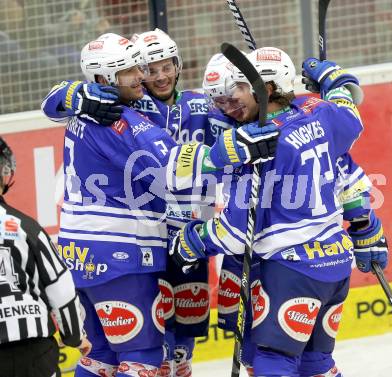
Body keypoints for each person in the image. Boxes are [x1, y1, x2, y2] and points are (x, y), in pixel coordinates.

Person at [41, 33, 278, 377]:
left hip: (81, 253)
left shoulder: (86, 112)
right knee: (144, 360)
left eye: (145, 67)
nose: (144, 76)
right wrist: (235, 148)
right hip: (121, 254)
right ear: (105, 79)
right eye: (132, 70)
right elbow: (171, 165)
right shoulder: (124, 119)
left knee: (102, 357)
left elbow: (56, 104)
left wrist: (72, 93)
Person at [170, 47, 388, 377]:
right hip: (334, 265)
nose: (234, 95)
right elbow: (349, 115)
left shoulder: (259, 147)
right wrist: (332, 77)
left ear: (266, 89)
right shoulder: (320, 116)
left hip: (292, 271)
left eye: (242, 87)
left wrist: (193, 241)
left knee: (272, 362)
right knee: (317, 364)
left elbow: (233, 233)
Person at [0, 136, 91, 377]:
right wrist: (74, 336)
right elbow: (60, 287)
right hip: (33, 351)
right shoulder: (26, 227)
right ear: (5, 172)